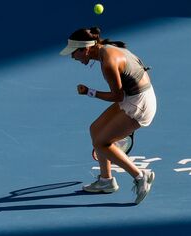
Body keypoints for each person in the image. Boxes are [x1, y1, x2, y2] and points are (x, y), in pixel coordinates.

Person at [60, 26, 157, 204]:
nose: (73, 57)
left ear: (86, 49)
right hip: (133, 97)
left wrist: (89, 91)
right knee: (95, 129)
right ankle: (106, 181)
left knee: (101, 143)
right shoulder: (108, 50)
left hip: (139, 104)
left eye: (74, 53)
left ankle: (140, 175)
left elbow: (117, 96)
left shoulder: (108, 62)